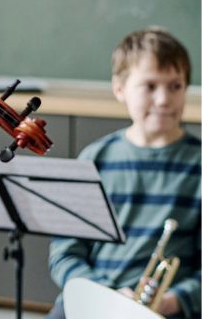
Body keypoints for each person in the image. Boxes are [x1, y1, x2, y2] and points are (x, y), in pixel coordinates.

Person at [47, 28, 200, 319]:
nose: (164, 99)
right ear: (120, 89)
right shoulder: (96, 159)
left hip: (168, 310)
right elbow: (65, 254)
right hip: (94, 299)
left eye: (175, 86)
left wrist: (169, 301)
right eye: (150, 86)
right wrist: (105, 295)